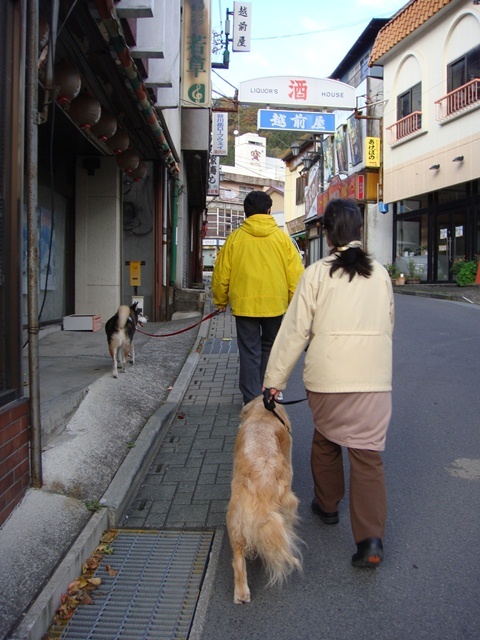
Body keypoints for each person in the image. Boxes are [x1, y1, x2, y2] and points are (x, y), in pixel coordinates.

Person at [263, 198, 394, 568]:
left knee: (326, 438)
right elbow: (389, 324)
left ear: (326, 232)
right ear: (358, 232)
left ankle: (328, 505)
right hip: (374, 382)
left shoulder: (317, 274)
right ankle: (370, 542)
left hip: (328, 381)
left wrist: (274, 382)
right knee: (367, 458)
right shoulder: (381, 274)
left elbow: (294, 333)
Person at [212, 190, 304, 405]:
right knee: (271, 347)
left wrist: (220, 300)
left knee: (249, 351)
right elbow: (295, 275)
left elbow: (221, 273)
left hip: (244, 305)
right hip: (276, 304)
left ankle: (251, 398)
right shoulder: (282, 239)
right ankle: (270, 391)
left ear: (246, 213)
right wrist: (294, 302)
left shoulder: (234, 239)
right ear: (269, 210)